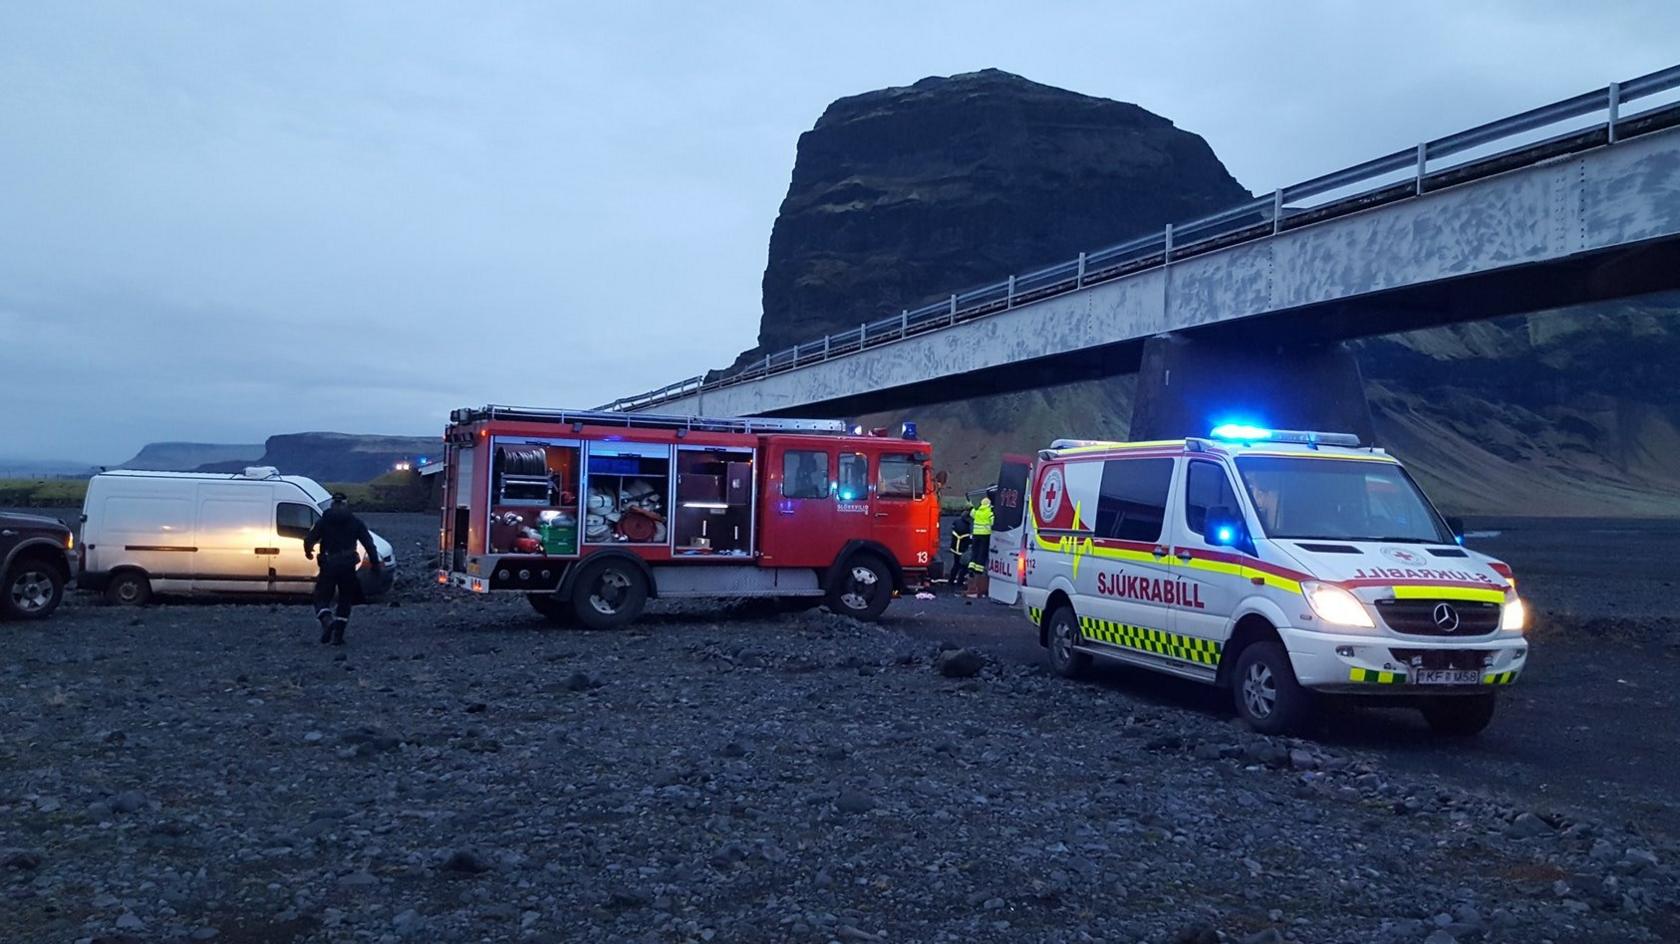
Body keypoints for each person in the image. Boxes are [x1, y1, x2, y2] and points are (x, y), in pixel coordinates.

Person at [303, 493, 381, 645]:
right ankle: (338, 636)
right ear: (346, 504)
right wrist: (375, 564)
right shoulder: (355, 522)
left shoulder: (324, 521)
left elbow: (310, 539)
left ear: (332, 504)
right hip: (348, 566)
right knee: (345, 599)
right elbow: (369, 544)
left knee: (321, 596)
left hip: (328, 564)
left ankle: (327, 620)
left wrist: (308, 551)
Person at [966, 494, 995, 600]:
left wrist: (971, 504)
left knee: (974, 552)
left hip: (976, 534)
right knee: (982, 553)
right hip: (985, 535)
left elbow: (971, 512)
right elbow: (993, 522)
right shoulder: (989, 512)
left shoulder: (977, 511)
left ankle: (971, 567)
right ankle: (979, 571)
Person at [948, 507, 973, 591]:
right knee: (964, 566)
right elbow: (969, 539)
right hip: (962, 549)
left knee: (956, 565)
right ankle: (959, 582)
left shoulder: (957, 522)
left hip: (954, 547)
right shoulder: (966, 527)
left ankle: (951, 581)